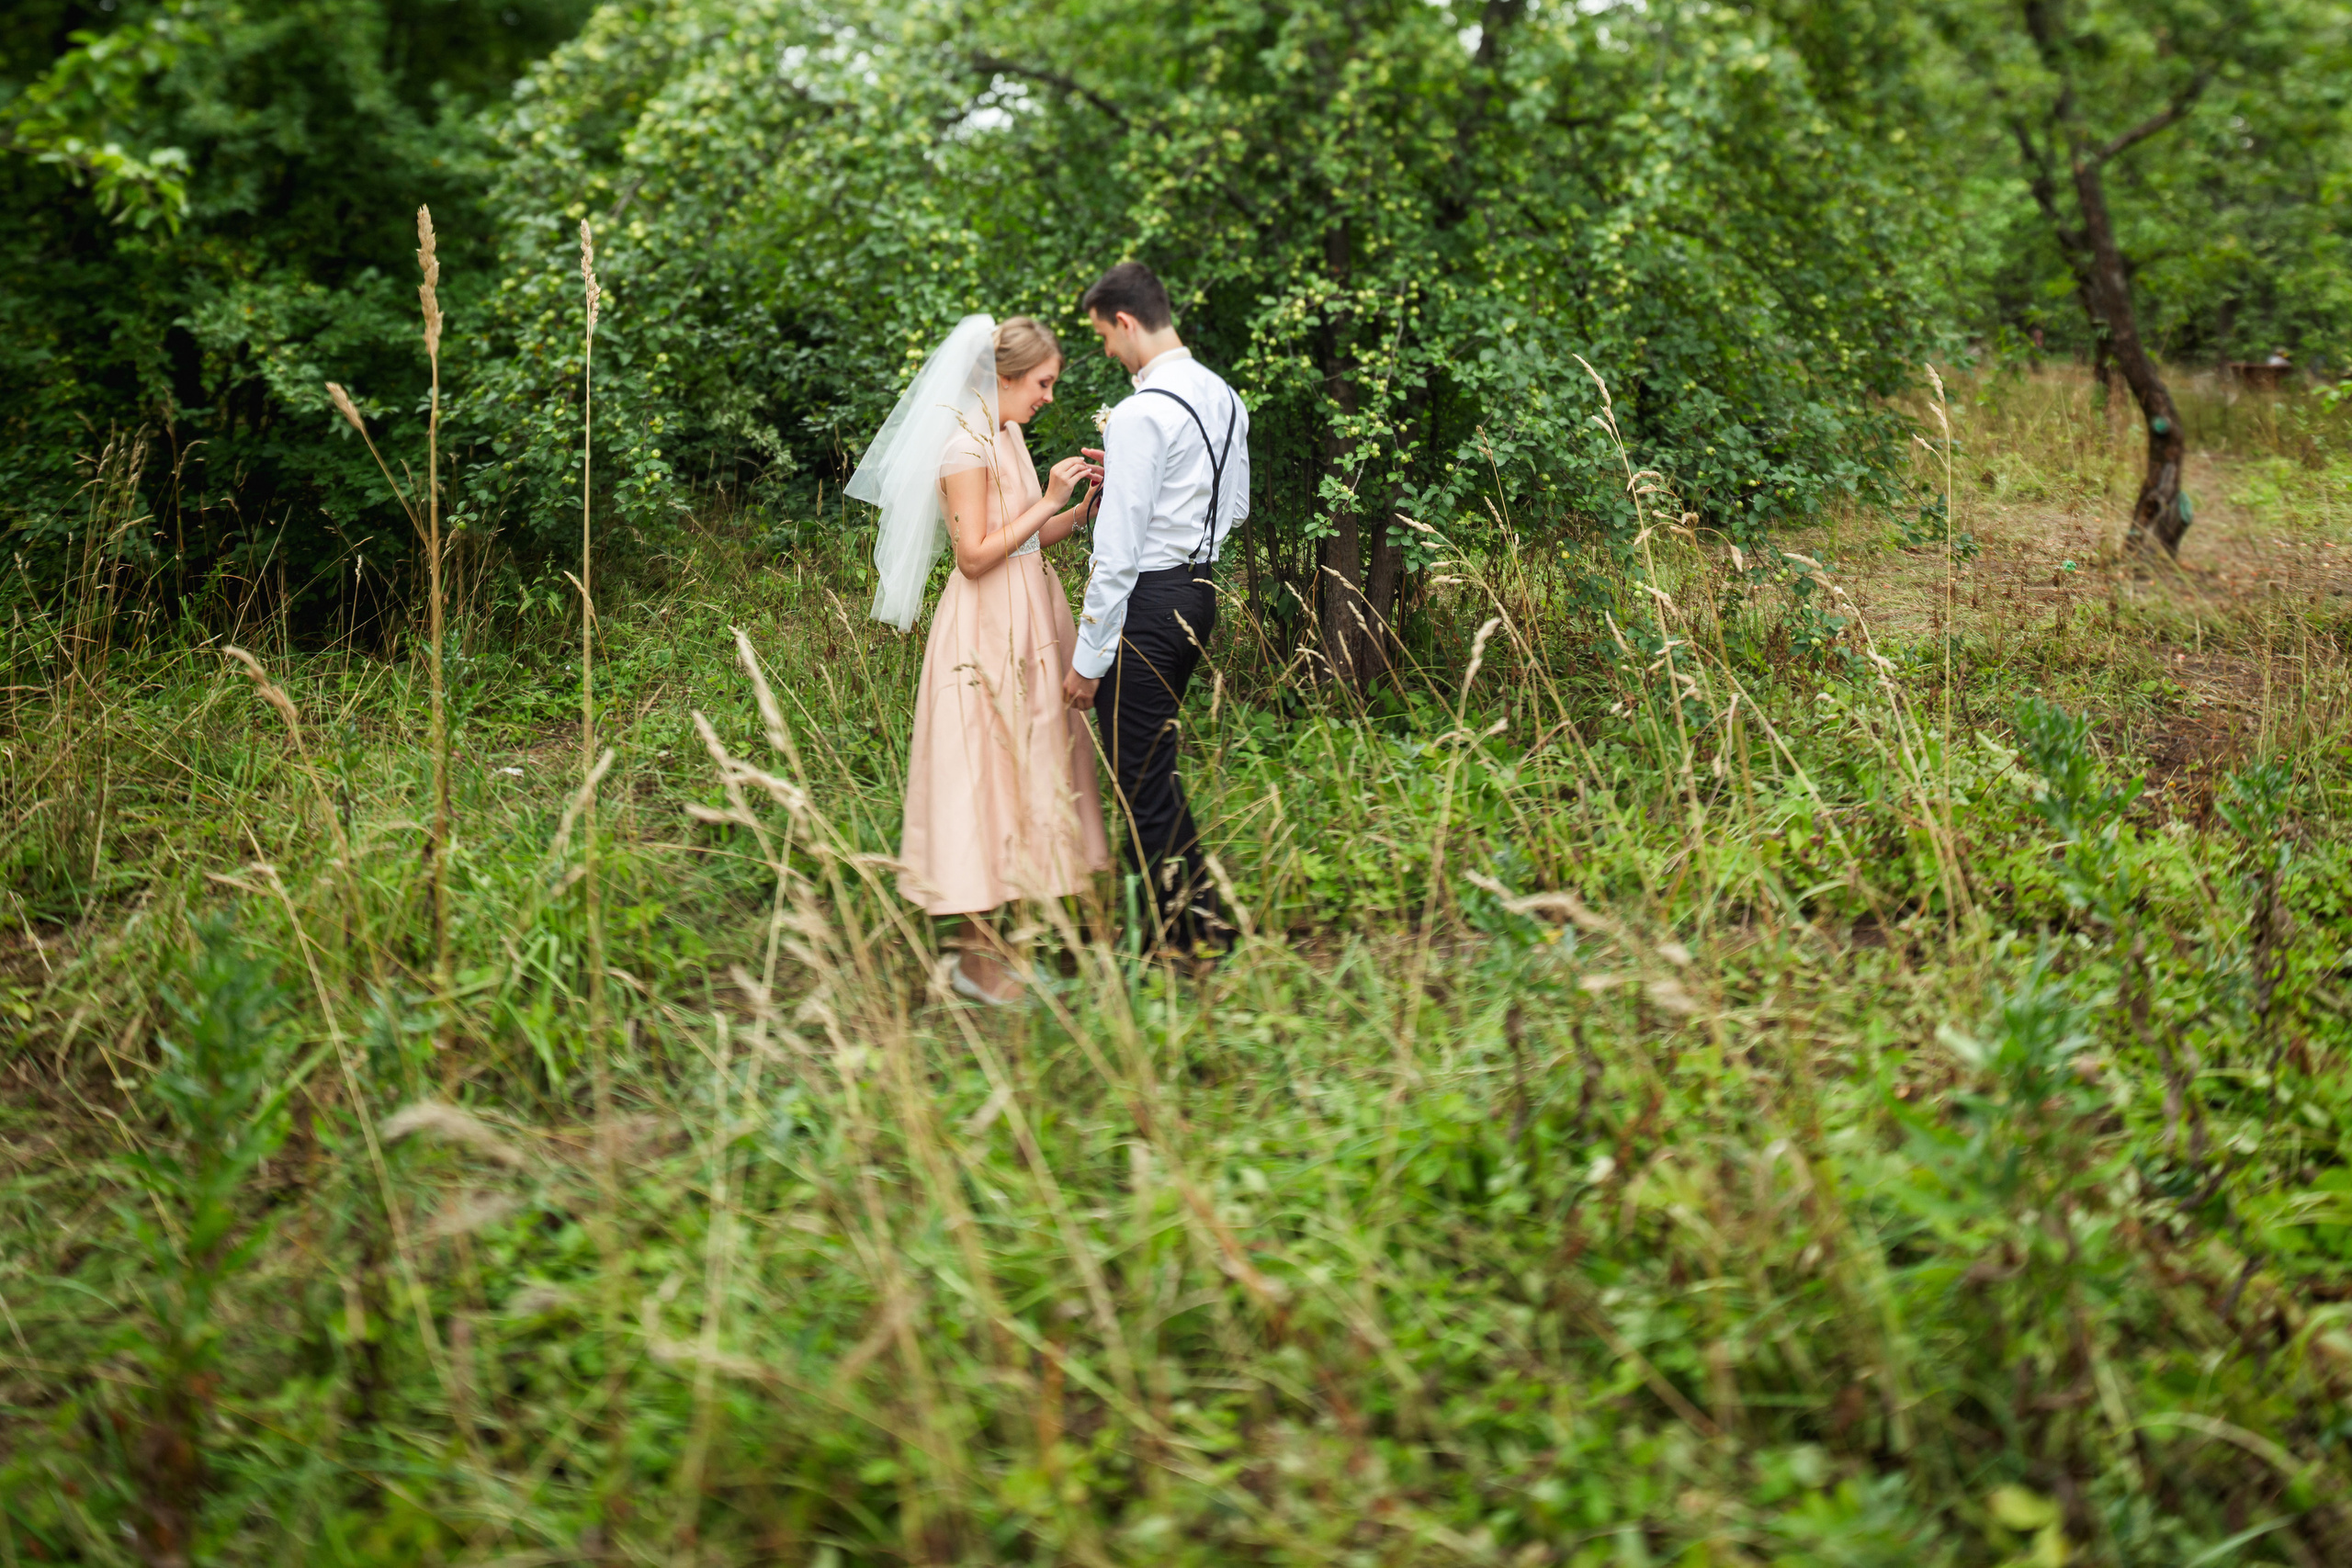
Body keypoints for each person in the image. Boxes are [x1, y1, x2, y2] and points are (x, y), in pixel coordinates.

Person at [847, 314, 1112, 1004]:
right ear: (1005, 376)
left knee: (1022, 774)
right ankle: (974, 961)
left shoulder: (1007, 433)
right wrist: (1048, 500)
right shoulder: (963, 448)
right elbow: (973, 557)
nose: (1048, 396)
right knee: (982, 777)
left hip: (1030, 619)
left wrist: (1077, 510)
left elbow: (1024, 537)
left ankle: (1004, 948)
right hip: (985, 628)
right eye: (1043, 382)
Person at [1061, 262, 1249, 959]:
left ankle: (1182, 940)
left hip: (1146, 602)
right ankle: (1194, 923)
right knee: (1152, 768)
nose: (1107, 351)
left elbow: (1115, 556)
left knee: (1141, 779)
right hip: (1200, 594)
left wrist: (1087, 661)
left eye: (1104, 336)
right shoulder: (1225, 397)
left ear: (1126, 322)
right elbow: (1235, 507)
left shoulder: (1141, 412)